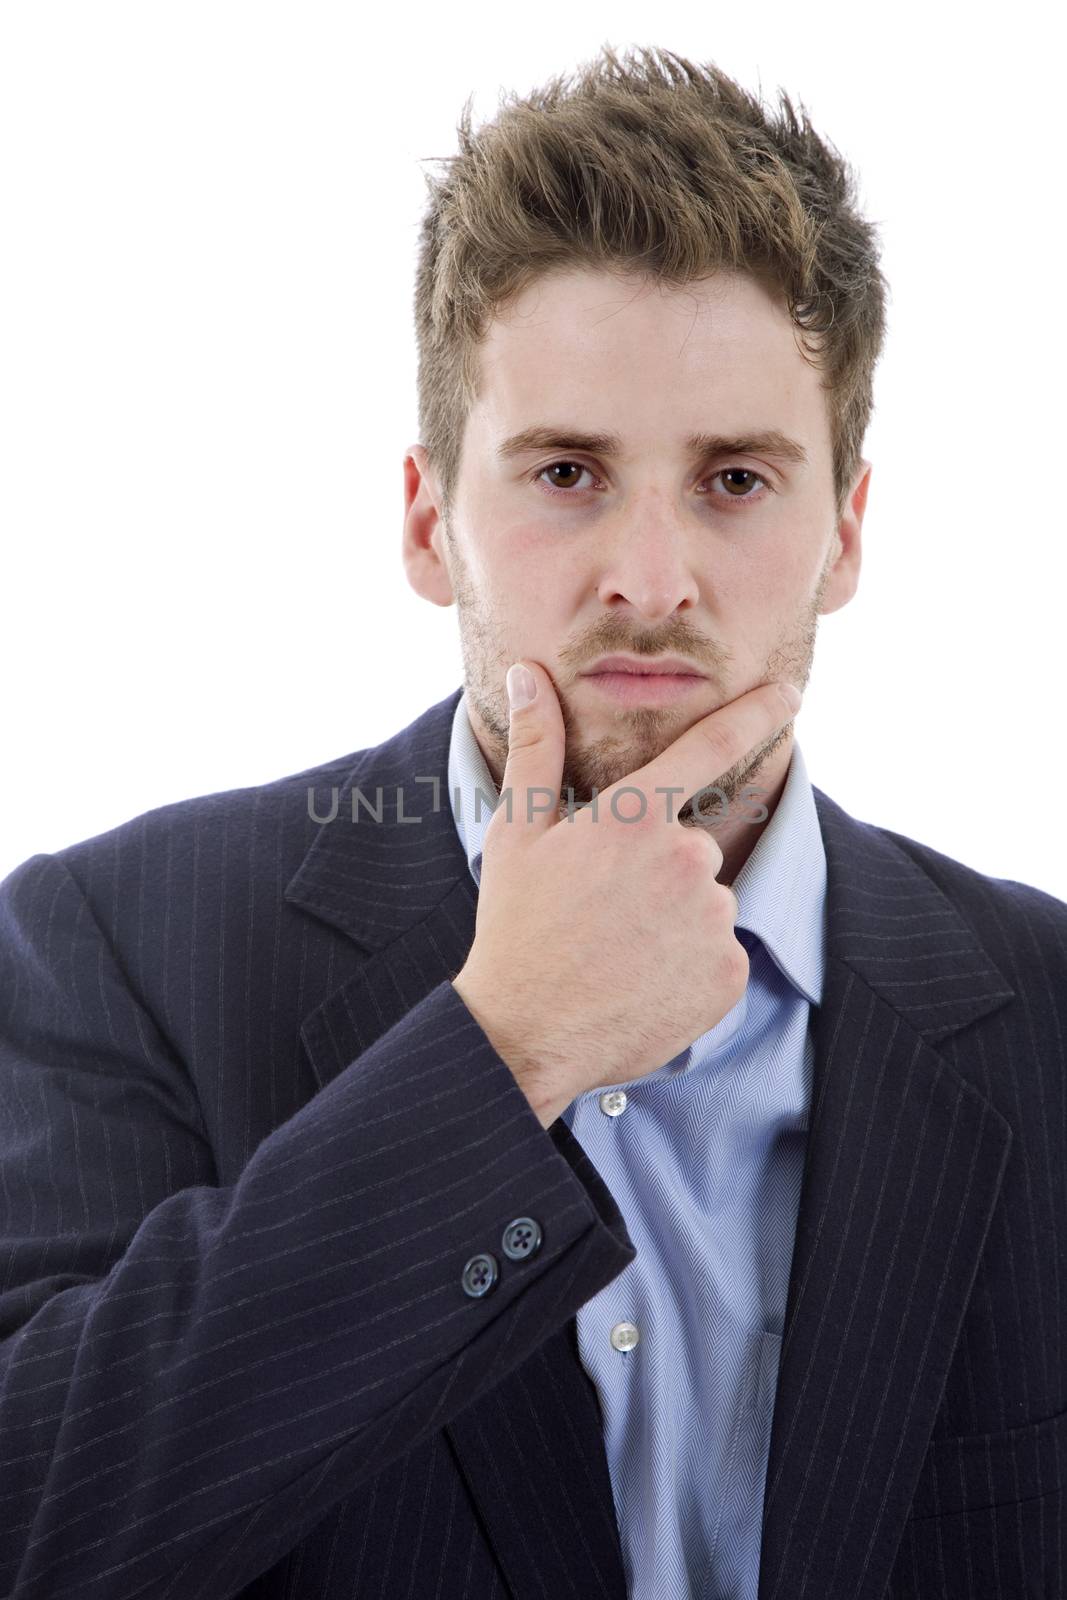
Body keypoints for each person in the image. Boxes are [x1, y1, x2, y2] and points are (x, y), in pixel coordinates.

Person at [0, 41, 1064, 1600]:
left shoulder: (1051, 1013)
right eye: (567, 470)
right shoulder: (108, 945)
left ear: (847, 532)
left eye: (737, 480)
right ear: (431, 524)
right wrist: (505, 1052)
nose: (649, 574)